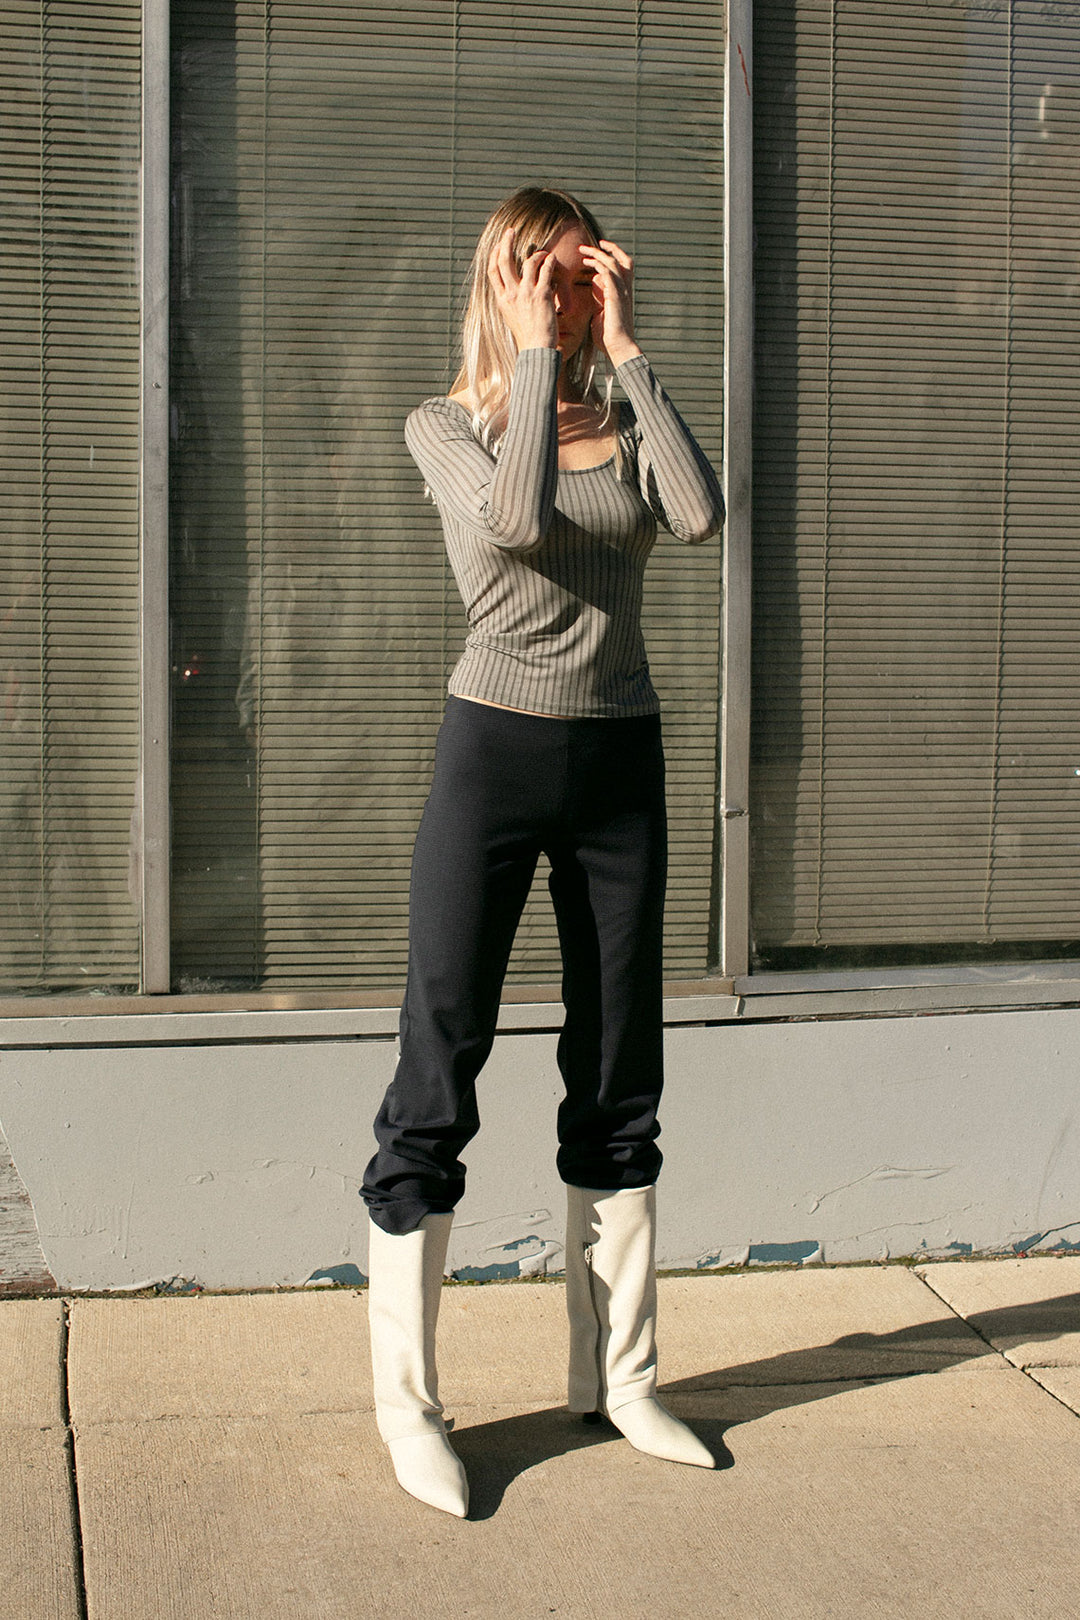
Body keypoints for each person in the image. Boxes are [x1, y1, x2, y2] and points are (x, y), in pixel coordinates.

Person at [361, 186, 724, 1516]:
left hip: (621, 760)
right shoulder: (446, 424)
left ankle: (619, 1380)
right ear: (502, 281)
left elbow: (700, 515)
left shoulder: (622, 417)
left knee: (621, 1067)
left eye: (582, 278)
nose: (564, 299)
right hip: (494, 758)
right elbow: (514, 525)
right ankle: (409, 1409)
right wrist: (527, 358)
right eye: (545, 278)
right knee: (441, 1059)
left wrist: (626, 350)